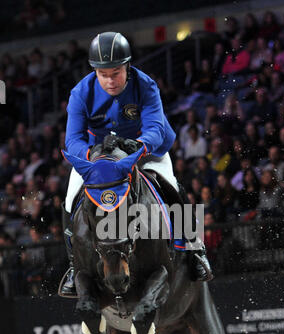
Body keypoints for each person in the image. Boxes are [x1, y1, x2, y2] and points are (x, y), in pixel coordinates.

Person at [60, 32, 213, 296]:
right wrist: (93, 158)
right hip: (103, 159)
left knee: (173, 188)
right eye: (103, 74)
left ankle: (195, 250)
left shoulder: (146, 85)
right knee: (70, 198)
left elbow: (155, 126)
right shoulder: (80, 93)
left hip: (146, 151)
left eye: (116, 72)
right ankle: (75, 265)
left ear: (127, 66)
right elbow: (72, 139)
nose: (109, 80)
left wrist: (140, 145)